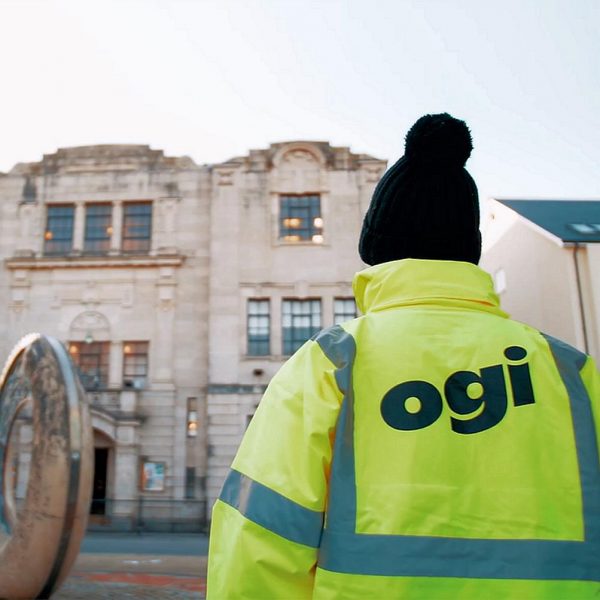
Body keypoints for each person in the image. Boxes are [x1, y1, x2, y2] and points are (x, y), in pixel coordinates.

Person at [207, 113, 600, 599]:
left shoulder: (333, 361)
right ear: (469, 250)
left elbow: (261, 537)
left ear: (379, 251)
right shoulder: (572, 372)